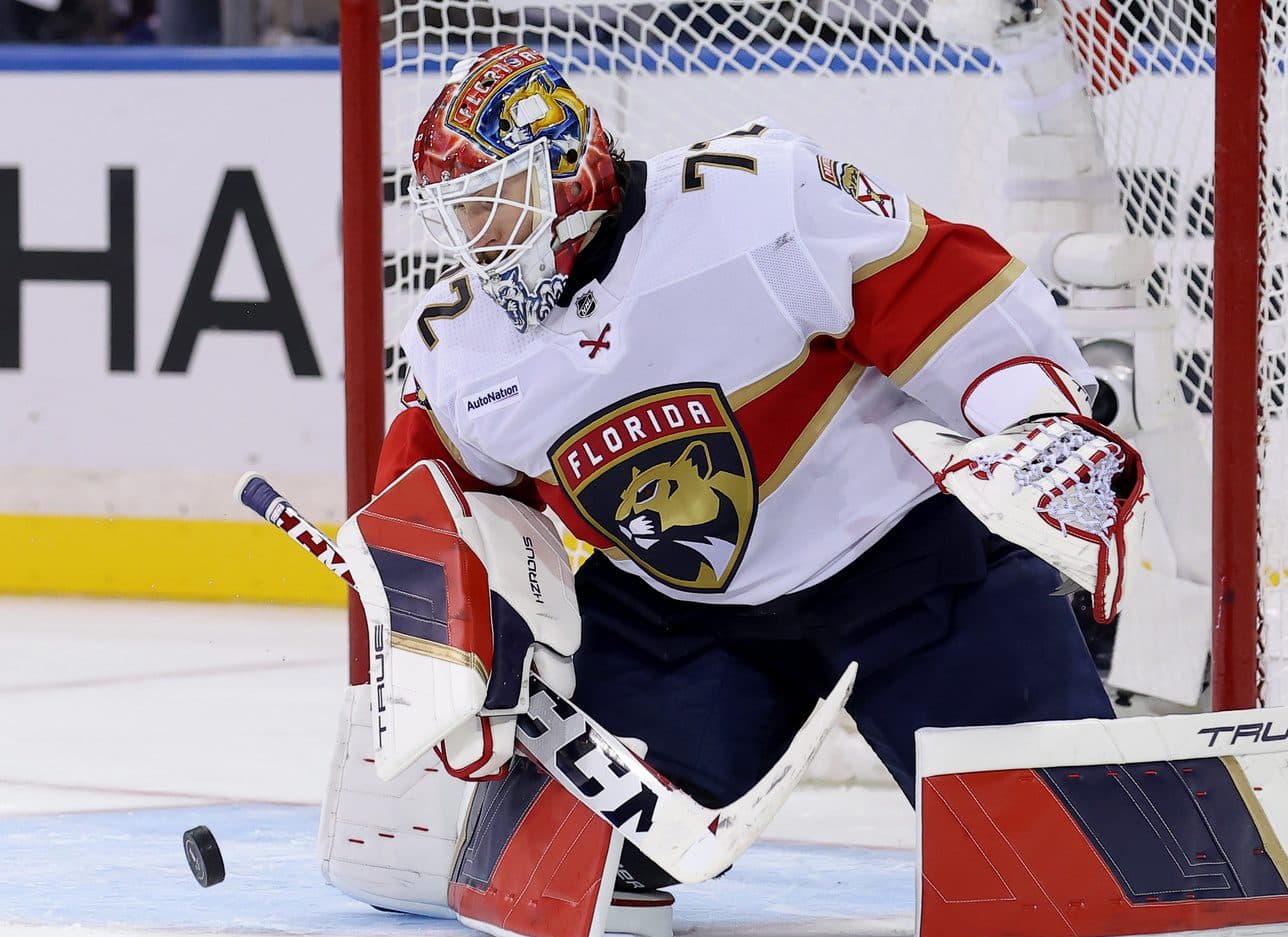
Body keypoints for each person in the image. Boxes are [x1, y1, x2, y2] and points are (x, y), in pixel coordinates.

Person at [371, 42, 1145, 892]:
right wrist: (456, 654)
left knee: (1069, 866)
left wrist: (1035, 419)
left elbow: (936, 284)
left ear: (568, 168)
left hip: (912, 567)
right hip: (684, 621)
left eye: (499, 203)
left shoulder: (754, 197)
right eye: (464, 214)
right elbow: (432, 506)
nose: (484, 240)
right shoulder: (459, 347)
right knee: (559, 867)